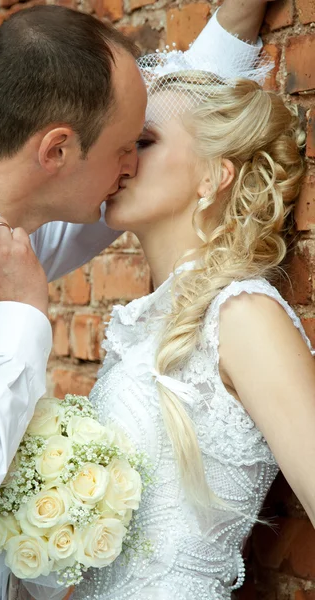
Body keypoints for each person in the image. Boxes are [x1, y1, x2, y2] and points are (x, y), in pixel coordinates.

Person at [0, 3, 275, 599]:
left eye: (142, 144)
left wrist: (233, 27)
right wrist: (19, 314)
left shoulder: (7, 228)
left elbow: (172, 154)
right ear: (56, 151)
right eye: (127, 146)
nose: (131, 167)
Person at [68, 51, 315, 600]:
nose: (122, 159)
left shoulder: (243, 315)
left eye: (145, 141)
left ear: (214, 174)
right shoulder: (143, 324)